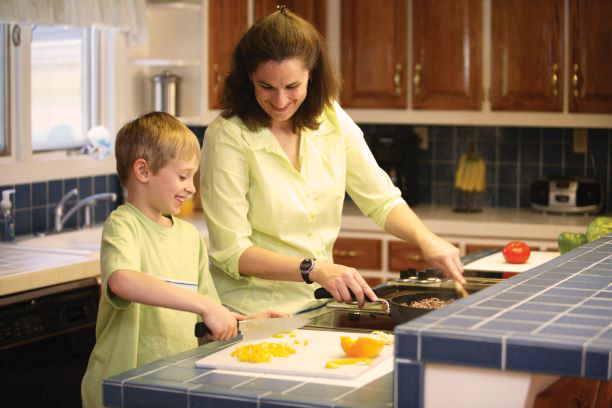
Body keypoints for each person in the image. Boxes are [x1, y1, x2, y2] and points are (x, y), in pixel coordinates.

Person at [200, 7, 464, 316]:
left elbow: (380, 199)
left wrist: (426, 239)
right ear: (249, 79)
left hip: (318, 306)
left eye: (292, 86)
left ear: (312, 75)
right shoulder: (228, 136)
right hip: (252, 312)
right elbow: (232, 252)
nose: (281, 101)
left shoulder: (330, 117)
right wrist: (316, 269)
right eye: (267, 87)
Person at [81, 112, 285, 408]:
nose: (191, 187)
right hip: (122, 390)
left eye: (192, 176)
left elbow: (208, 314)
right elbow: (122, 280)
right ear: (143, 170)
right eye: (182, 176)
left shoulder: (190, 238)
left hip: (171, 386)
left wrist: (250, 323)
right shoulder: (124, 224)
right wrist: (206, 306)